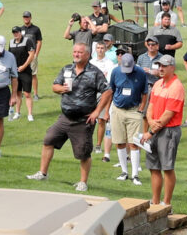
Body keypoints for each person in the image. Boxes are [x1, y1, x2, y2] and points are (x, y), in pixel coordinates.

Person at [27, 39, 104, 192]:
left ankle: (83, 182)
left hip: (83, 120)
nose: (76, 54)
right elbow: (54, 86)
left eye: (80, 52)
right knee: (49, 139)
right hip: (65, 117)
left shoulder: (95, 72)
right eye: (75, 52)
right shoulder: (66, 69)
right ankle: (43, 173)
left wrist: (97, 112)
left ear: (87, 55)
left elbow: (107, 91)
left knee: (83, 153)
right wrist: (61, 89)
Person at [144, 52, 187, 208]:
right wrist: (150, 122)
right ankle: (155, 201)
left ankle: (166, 203)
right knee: (154, 167)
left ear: (172, 67)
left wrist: (150, 131)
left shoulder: (177, 87)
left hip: (168, 131)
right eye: (159, 65)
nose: (160, 68)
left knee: (167, 167)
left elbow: (168, 115)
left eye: (164, 66)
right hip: (155, 129)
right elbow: (150, 106)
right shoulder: (157, 84)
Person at [107, 43, 151, 184]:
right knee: (119, 142)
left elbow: (145, 92)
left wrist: (141, 108)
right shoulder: (115, 72)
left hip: (134, 111)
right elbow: (111, 91)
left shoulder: (140, 73)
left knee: (134, 143)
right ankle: (124, 172)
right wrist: (108, 110)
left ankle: (135, 175)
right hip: (118, 110)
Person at [11, 11, 42, 120]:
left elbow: (37, 45)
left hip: (26, 68)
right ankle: (17, 113)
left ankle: (29, 114)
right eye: (14, 32)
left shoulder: (31, 35)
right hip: (16, 71)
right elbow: (10, 56)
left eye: (17, 32)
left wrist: (24, 66)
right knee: (18, 93)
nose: (16, 34)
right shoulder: (11, 42)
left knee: (27, 93)